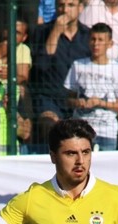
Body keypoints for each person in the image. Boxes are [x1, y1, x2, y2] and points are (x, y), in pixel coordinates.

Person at [30, 0, 91, 149]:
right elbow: (41, 66)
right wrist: (56, 32)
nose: (65, 10)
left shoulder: (88, 35)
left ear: (80, 8)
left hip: (77, 99)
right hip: (49, 97)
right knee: (51, 127)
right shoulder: (42, 31)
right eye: (61, 5)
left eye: (70, 5)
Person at [63, 23, 118, 150]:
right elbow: (68, 99)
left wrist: (100, 103)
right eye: (93, 39)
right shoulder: (78, 65)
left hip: (107, 131)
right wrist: (78, 102)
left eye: (100, 40)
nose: (96, 44)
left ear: (110, 43)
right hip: (81, 130)